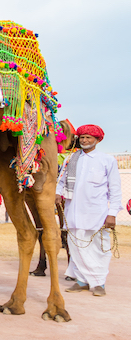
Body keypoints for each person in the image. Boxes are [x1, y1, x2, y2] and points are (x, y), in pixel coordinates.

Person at [57, 125, 121, 296]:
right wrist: (57, 194)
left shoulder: (107, 161)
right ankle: (81, 281)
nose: (84, 140)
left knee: (99, 248)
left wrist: (112, 213)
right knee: (76, 246)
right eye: (82, 137)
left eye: (88, 138)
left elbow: (115, 189)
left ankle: (98, 282)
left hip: (97, 214)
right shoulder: (70, 160)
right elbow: (61, 181)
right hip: (73, 212)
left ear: (97, 140)